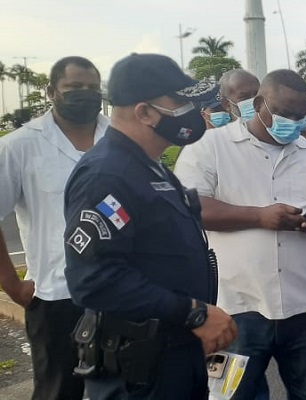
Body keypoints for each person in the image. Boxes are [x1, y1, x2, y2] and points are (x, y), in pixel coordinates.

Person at [63, 53, 237, 400]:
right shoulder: (107, 174)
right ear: (144, 112)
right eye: (181, 101)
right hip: (139, 370)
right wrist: (193, 313)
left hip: (172, 355)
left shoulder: (147, 166)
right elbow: (93, 281)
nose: (192, 110)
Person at [174, 69, 306, 400]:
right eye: (284, 113)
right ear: (259, 103)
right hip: (233, 310)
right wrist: (259, 216)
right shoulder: (211, 146)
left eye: (300, 117)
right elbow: (189, 208)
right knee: (228, 395)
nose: (292, 122)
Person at [0, 56, 107, 400]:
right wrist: (12, 285)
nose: (85, 94)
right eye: (74, 87)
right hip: (56, 296)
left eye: (92, 88)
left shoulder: (121, 139)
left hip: (122, 291)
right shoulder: (19, 146)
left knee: (126, 387)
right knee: (58, 391)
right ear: (51, 92)